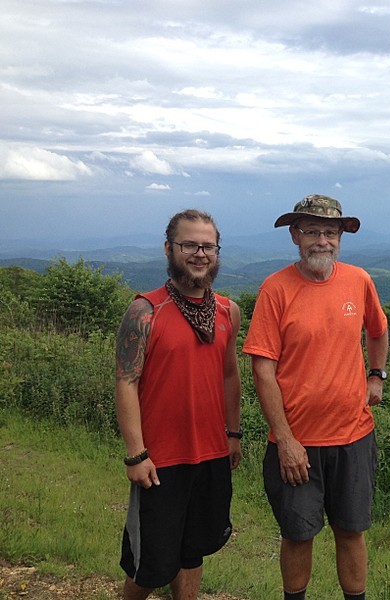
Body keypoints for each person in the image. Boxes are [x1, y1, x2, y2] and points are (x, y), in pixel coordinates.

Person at [243, 194, 389, 600]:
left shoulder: (359, 281)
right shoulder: (275, 289)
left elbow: (378, 329)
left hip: (354, 437)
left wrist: (376, 375)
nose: (321, 240)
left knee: (351, 532)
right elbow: (262, 369)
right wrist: (285, 439)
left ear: (341, 237)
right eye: (311, 231)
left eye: (330, 231)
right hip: (297, 443)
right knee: (298, 534)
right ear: (295, 235)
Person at [114, 209, 242, 600]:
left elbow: (229, 376)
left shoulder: (227, 311)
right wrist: (136, 454)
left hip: (211, 453)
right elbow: (125, 382)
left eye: (207, 246)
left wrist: (233, 434)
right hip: (160, 461)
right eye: (189, 245)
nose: (199, 253)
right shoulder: (144, 311)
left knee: (193, 550)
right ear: (169, 248)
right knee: (149, 564)